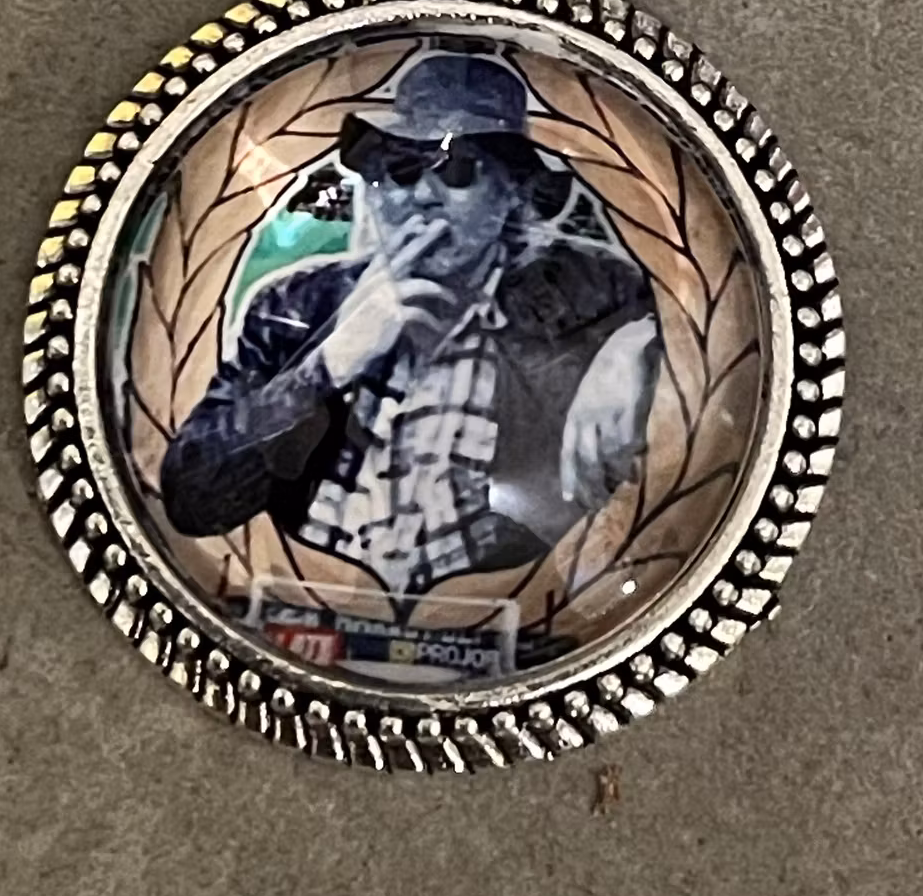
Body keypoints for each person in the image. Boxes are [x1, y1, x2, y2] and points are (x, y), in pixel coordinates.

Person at [159, 51, 660, 600]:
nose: (421, 193)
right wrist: (324, 367)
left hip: (502, 608)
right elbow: (194, 502)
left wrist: (636, 345)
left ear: (510, 193)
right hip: (307, 602)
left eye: (459, 171)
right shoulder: (296, 306)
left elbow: (689, 344)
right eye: (399, 168)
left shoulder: (591, 296)